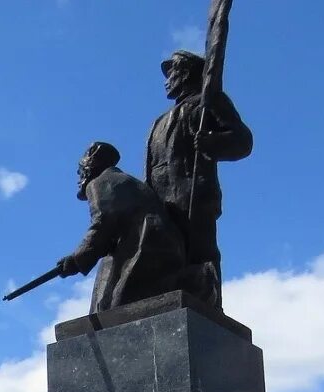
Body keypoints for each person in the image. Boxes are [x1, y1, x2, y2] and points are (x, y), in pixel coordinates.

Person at [144, 49, 253, 307]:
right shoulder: (159, 121)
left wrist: (212, 142)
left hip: (193, 195)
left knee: (201, 254)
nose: (166, 80)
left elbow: (243, 141)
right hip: (161, 203)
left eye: (171, 73)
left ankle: (210, 308)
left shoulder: (210, 102)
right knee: (166, 257)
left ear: (186, 73)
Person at [56, 141, 190, 313]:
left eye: (80, 168)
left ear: (90, 165)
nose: (78, 173)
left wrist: (77, 259)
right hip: (167, 248)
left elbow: (103, 223)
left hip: (145, 250)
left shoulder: (100, 182)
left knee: (113, 311)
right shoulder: (125, 180)